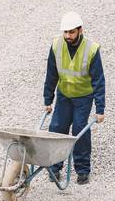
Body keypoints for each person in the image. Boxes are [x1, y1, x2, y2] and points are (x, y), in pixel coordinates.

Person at [43, 11, 105, 185]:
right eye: (65, 32)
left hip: (83, 97)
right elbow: (51, 74)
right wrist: (48, 99)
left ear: (80, 30)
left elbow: (99, 80)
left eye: (71, 32)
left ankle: (83, 170)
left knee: (79, 130)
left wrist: (100, 109)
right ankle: (55, 167)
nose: (68, 36)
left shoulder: (91, 49)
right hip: (64, 95)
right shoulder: (56, 46)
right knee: (56, 128)